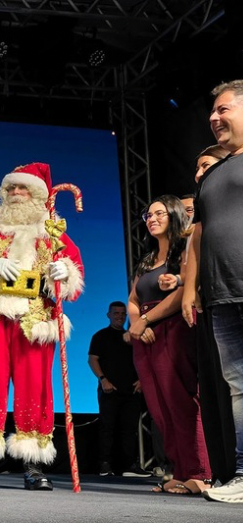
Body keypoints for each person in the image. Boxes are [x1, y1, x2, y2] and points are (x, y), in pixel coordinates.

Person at [0, 162, 84, 491]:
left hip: (35, 321)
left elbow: (75, 279)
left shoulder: (55, 237)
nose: (15, 194)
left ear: (38, 197)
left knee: (36, 390)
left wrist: (64, 273)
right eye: (10, 189)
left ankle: (34, 465)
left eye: (22, 189)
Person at [183, 83, 243, 501]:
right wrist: (192, 289)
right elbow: (200, 236)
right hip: (222, 295)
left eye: (223, 109)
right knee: (238, 387)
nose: (213, 117)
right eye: (211, 112)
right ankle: (241, 474)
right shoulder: (214, 173)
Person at [127, 195, 210, 495]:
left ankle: (200, 473)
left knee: (182, 402)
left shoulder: (183, 252)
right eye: (147, 215)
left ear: (174, 215)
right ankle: (179, 471)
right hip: (144, 336)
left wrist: (146, 320)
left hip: (174, 328)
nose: (151, 219)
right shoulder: (148, 260)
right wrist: (138, 325)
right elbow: (133, 300)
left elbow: (183, 293)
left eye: (158, 213)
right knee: (160, 409)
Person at [88, 302, 149, 478]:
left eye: (123, 313)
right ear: (108, 315)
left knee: (129, 429)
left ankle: (130, 465)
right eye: (116, 313)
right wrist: (103, 380)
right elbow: (92, 360)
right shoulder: (100, 336)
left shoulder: (134, 336)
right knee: (107, 428)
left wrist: (142, 380)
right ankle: (105, 465)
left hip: (132, 391)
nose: (120, 316)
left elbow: (143, 359)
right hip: (109, 390)